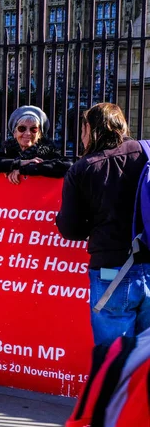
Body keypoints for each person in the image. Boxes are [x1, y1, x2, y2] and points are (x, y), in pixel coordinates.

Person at [56, 103, 150, 345]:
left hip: (112, 270)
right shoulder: (147, 151)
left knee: (113, 356)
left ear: (90, 128)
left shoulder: (84, 168)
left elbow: (71, 229)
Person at [0, 105, 71, 184]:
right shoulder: (9, 152)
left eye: (34, 129)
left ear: (40, 134)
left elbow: (67, 166)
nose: (28, 133)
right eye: (22, 128)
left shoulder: (48, 153)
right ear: (15, 133)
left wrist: (25, 169)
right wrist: (18, 163)